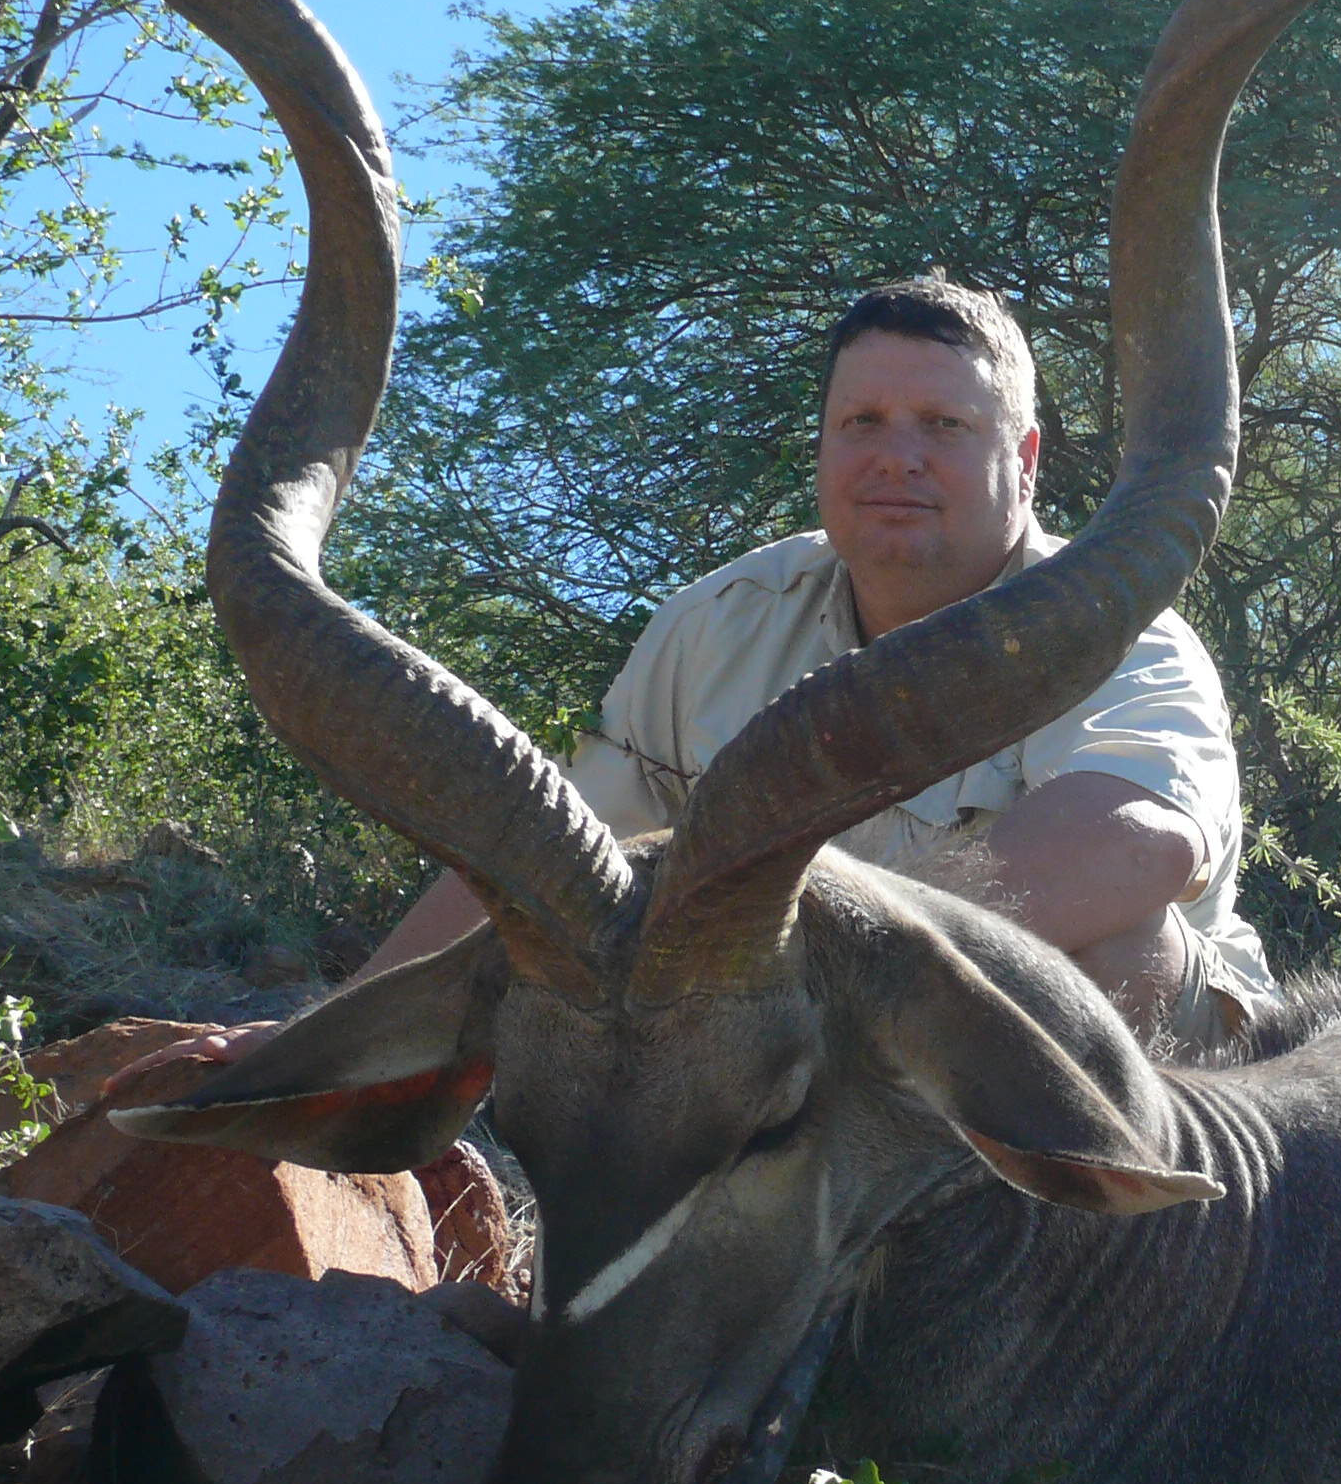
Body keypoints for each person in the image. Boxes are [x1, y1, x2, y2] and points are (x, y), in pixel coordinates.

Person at [347, 273, 1279, 1043]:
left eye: (943, 426)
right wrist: (335, 1029)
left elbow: (1132, 846)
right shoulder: (722, 623)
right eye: (862, 422)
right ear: (823, 446)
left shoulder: (1111, 620)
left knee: (1113, 954)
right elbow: (555, 853)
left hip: (1155, 1085)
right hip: (799, 1050)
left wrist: (803, 972)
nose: (896, 457)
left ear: (1025, 459)